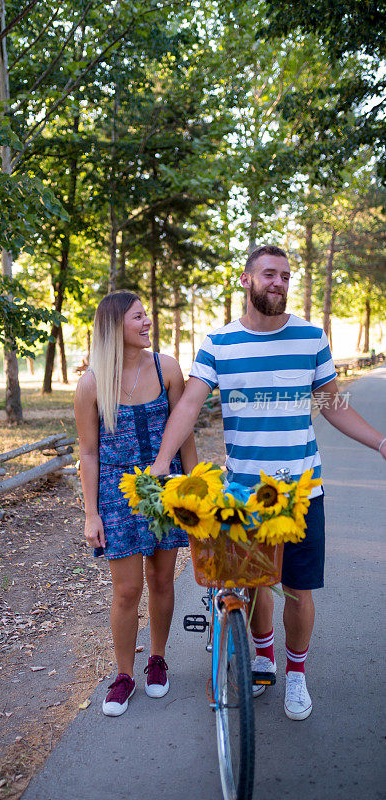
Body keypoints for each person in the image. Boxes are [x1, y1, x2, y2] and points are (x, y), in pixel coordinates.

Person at [151, 244, 386, 721]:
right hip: (243, 496)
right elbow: (190, 407)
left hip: (302, 492)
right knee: (254, 585)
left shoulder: (311, 338)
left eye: (285, 276)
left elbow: (333, 406)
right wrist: (160, 465)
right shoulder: (218, 344)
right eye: (269, 274)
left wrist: (380, 443)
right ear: (246, 280)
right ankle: (263, 657)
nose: (278, 283)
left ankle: (297, 675)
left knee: (299, 590)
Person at [74, 290, 197, 717]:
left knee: (162, 581)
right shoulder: (92, 383)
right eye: (138, 317)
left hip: (166, 487)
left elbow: (184, 434)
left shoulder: (168, 369)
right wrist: (91, 513)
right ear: (114, 327)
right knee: (127, 590)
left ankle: (157, 659)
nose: (147, 323)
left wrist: (195, 488)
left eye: (147, 316)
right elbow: (88, 453)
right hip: (116, 493)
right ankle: (123, 675)